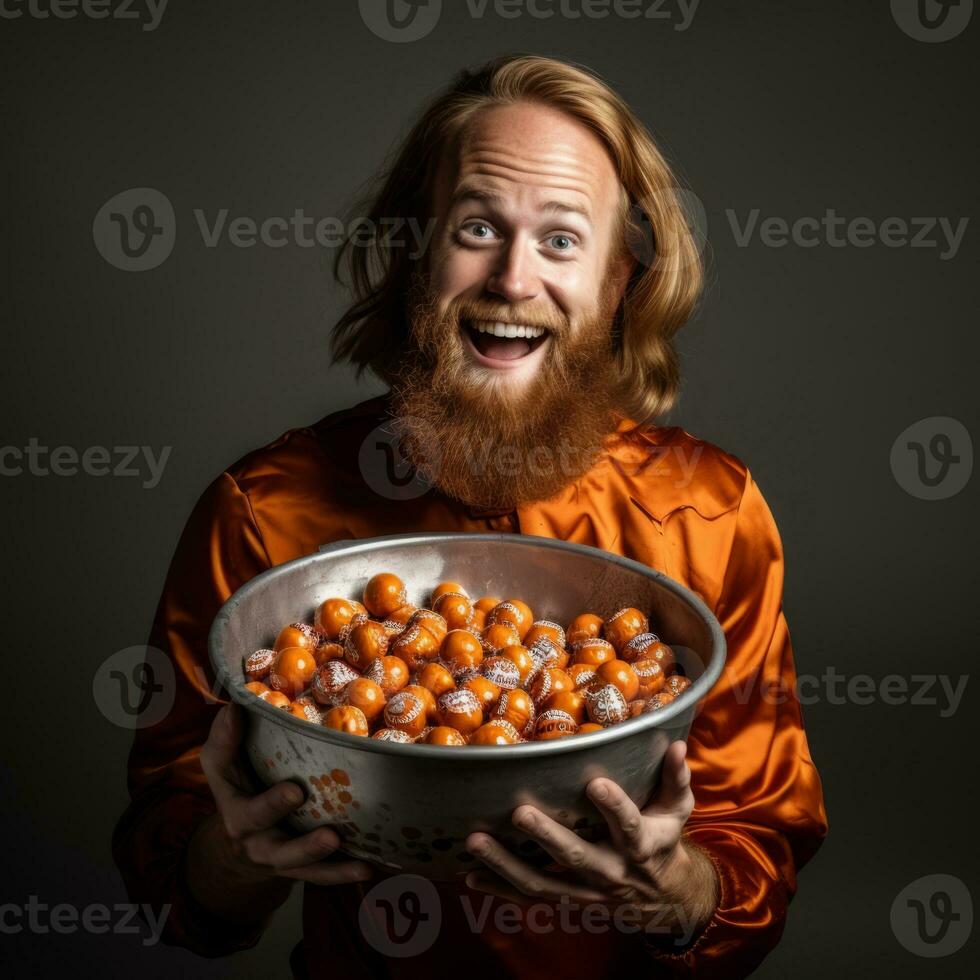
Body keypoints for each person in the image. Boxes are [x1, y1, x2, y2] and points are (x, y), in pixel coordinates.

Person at [113, 54, 827, 979]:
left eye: (563, 240)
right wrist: (230, 857)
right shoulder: (263, 513)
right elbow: (170, 879)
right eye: (479, 227)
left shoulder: (709, 512)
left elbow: (756, 852)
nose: (514, 279)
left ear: (620, 282)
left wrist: (678, 891)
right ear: (417, 252)